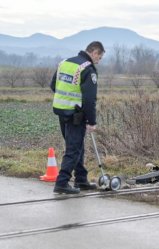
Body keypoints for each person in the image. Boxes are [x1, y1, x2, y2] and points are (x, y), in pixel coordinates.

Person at [50, 41, 105, 194]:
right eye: (99, 58)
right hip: (76, 114)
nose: (98, 61)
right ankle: (61, 183)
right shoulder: (88, 69)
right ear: (94, 52)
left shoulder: (65, 63)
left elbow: (53, 85)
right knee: (73, 149)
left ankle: (81, 180)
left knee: (76, 146)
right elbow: (89, 99)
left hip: (62, 110)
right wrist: (92, 121)